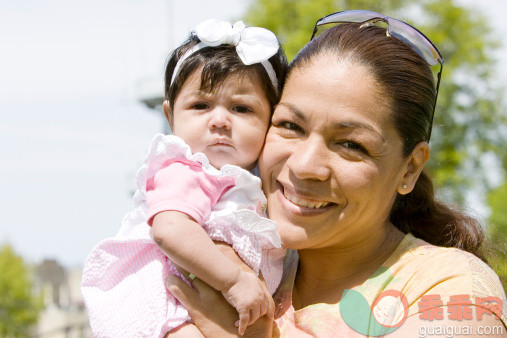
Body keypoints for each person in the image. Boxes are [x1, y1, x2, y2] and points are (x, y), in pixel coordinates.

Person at [165, 10, 507, 337]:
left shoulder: (450, 290)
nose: (304, 166)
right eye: (290, 125)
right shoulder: (230, 261)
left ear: (410, 168)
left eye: (351, 145)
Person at [81, 19, 288, 337]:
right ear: (170, 115)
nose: (220, 120)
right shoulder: (186, 169)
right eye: (201, 105)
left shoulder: (251, 185)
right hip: (164, 304)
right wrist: (233, 280)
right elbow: (170, 228)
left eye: (242, 108)